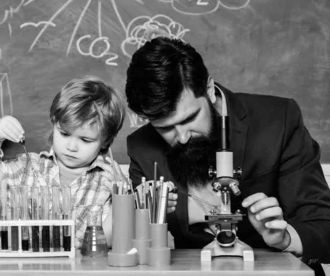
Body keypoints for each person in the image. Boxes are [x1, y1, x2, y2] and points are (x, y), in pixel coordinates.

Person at [125, 36, 330, 274]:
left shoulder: (278, 121)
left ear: (209, 90)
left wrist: (284, 238)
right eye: (165, 128)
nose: (181, 138)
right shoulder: (142, 148)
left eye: (189, 119)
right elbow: (141, 241)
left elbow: (323, 227)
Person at [0, 75, 127, 248]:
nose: (72, 146)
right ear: (54, 123)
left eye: (85, 140)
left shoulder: (106, 182)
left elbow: (105, 241)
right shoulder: (29, 167)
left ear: (106, 141)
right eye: (64, 133)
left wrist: (121, 199)